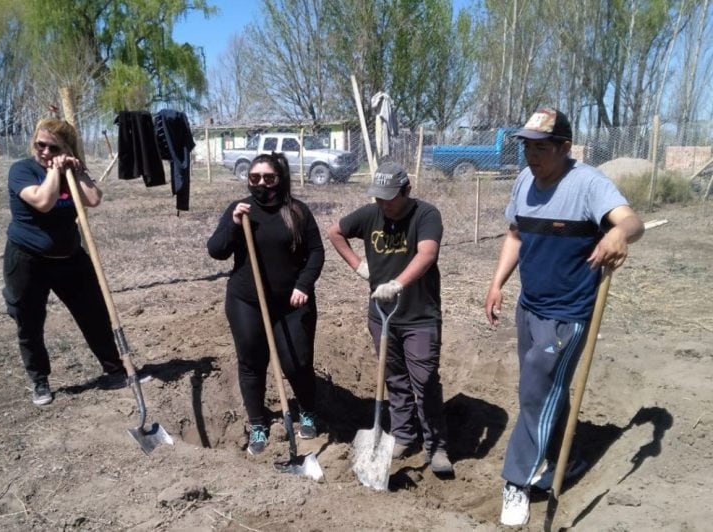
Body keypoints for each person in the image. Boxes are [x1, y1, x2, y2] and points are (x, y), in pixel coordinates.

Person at [483, 108, 645, 526]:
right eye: (527, 147)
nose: (531, 156)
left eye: (540, 148)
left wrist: (617, 232)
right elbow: (516, 234)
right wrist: (498, 282)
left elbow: (632, 220)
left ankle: (517, 482)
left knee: (540, 383)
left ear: (564, 148)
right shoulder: (523, 181)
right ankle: (561, 460)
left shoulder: (588, 184)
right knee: (538, 391)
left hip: (569, 313)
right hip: (530, 306)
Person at [3, 117, 151, 407]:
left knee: (94, 313)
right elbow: (43, 201)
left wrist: (79, 171)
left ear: (67, 148)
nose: (44, 151)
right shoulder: (22, 170)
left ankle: (115, 369)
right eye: (40, 144)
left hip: (70, 257)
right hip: (27, 259)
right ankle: (40, 381)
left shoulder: (72, 169)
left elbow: (94, 199)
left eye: (52, 147)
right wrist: (54, 172)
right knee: (29, 321)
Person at [327, 160, 452, 475]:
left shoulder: (426, 214)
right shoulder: (371, 215)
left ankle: (435, 446)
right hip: (381, 316)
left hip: (419, 315)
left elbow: (427, 254)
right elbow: (335, 232)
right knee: (395, 380)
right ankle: (402, 435)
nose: (383, 204)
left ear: (407, 190)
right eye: (378, 197)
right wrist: (359, 266)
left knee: (423, 382)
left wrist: (398, 283)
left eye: (389, 197)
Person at [207, 152, 325, 455]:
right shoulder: (240, 210)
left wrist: (303, 285)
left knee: (296, 362)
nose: (261, 184)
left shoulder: (297, 211)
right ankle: (258, 423)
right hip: (247, 300)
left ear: (280, 178)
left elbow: (316, 252)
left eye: (268, 178)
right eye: (254, 178)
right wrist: (233, 224)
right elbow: (216, 251)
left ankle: (307, 410)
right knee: (251, 362)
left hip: (291, 302)